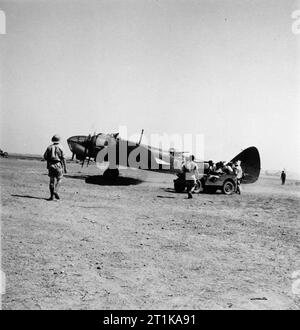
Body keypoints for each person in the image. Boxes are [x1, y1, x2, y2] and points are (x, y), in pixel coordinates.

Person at [43, 135, 67, 200]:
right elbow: (64, 158)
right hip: (58, 165)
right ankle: (55, 191)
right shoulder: (61, 147)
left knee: (51, 181)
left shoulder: (49, 147)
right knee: (59, 179)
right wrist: (65, 167)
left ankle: (51, 196)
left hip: (51, 165)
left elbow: (45, 156)